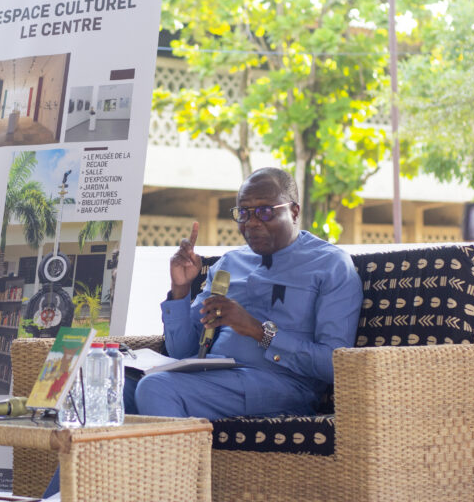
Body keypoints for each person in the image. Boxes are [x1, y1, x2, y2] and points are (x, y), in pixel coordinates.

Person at [130, 166, 363, 419]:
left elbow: (335, 365)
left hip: (283, 386)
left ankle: (180, 458)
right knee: (118, 386)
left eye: (264, 212)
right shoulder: (230, 263)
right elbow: (181, 352)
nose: (251, 223)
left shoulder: (331, 264)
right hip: (213, 379)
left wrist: (257, 330)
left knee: (157, 389)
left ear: (294, 211)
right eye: (244, 213)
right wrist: (180, 289)